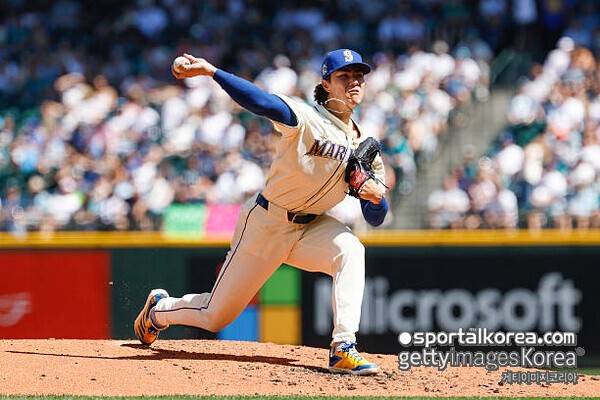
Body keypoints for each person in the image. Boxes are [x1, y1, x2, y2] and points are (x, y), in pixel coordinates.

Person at [134, 49, 389, 375]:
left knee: (351, 250)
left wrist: (374, 198)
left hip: (312, 228)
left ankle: (343, 347)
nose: (354, 82)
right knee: (215, 316)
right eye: (344, 76)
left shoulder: (365, 146)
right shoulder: (306, 117)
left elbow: (376, 217)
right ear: (326, 83)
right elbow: (262, 102)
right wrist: (213, 72)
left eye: (359, 77)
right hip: (268, 222)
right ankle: (159, 310)